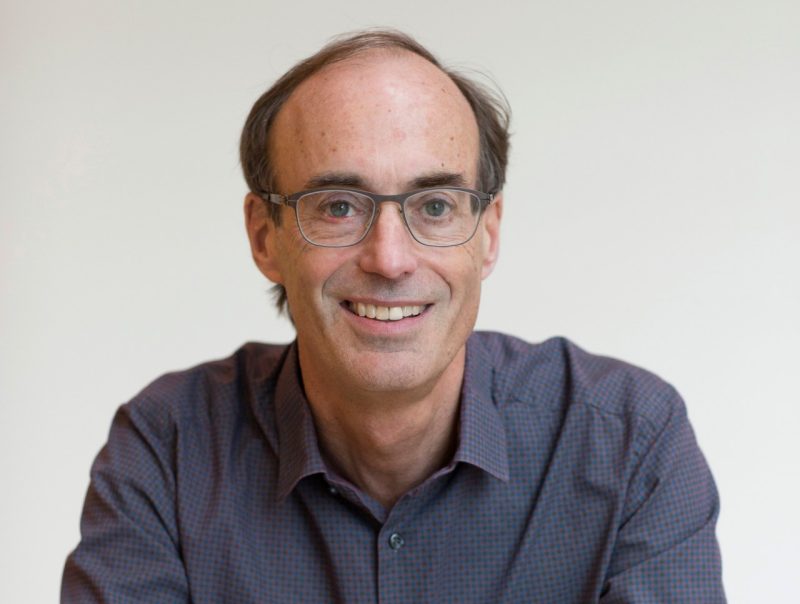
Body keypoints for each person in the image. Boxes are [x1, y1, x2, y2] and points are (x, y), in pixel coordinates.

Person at [62, 30, 725, 602]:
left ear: (487, 233)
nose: (389, 257)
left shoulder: (626, 441)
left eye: (434, 205)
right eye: (338, 206)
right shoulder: (169, 452)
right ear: (265, 236)